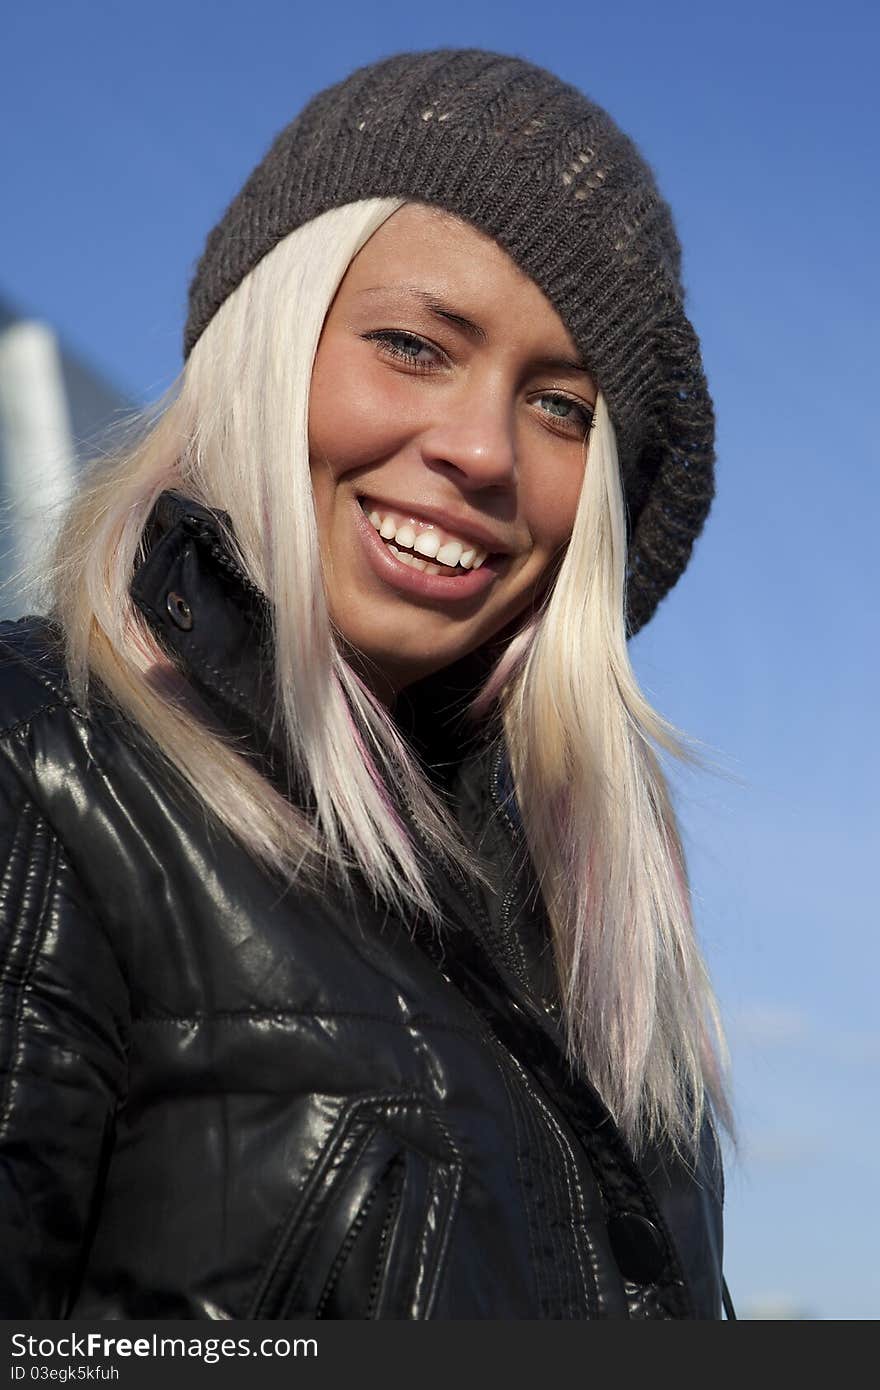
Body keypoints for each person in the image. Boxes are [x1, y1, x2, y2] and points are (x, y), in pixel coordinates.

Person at [0, 49, 733, 1319]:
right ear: (269, 343)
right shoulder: (43, 764)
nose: (480, 449)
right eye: (410, 344)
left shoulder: (604, 951)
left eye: (561, 405)